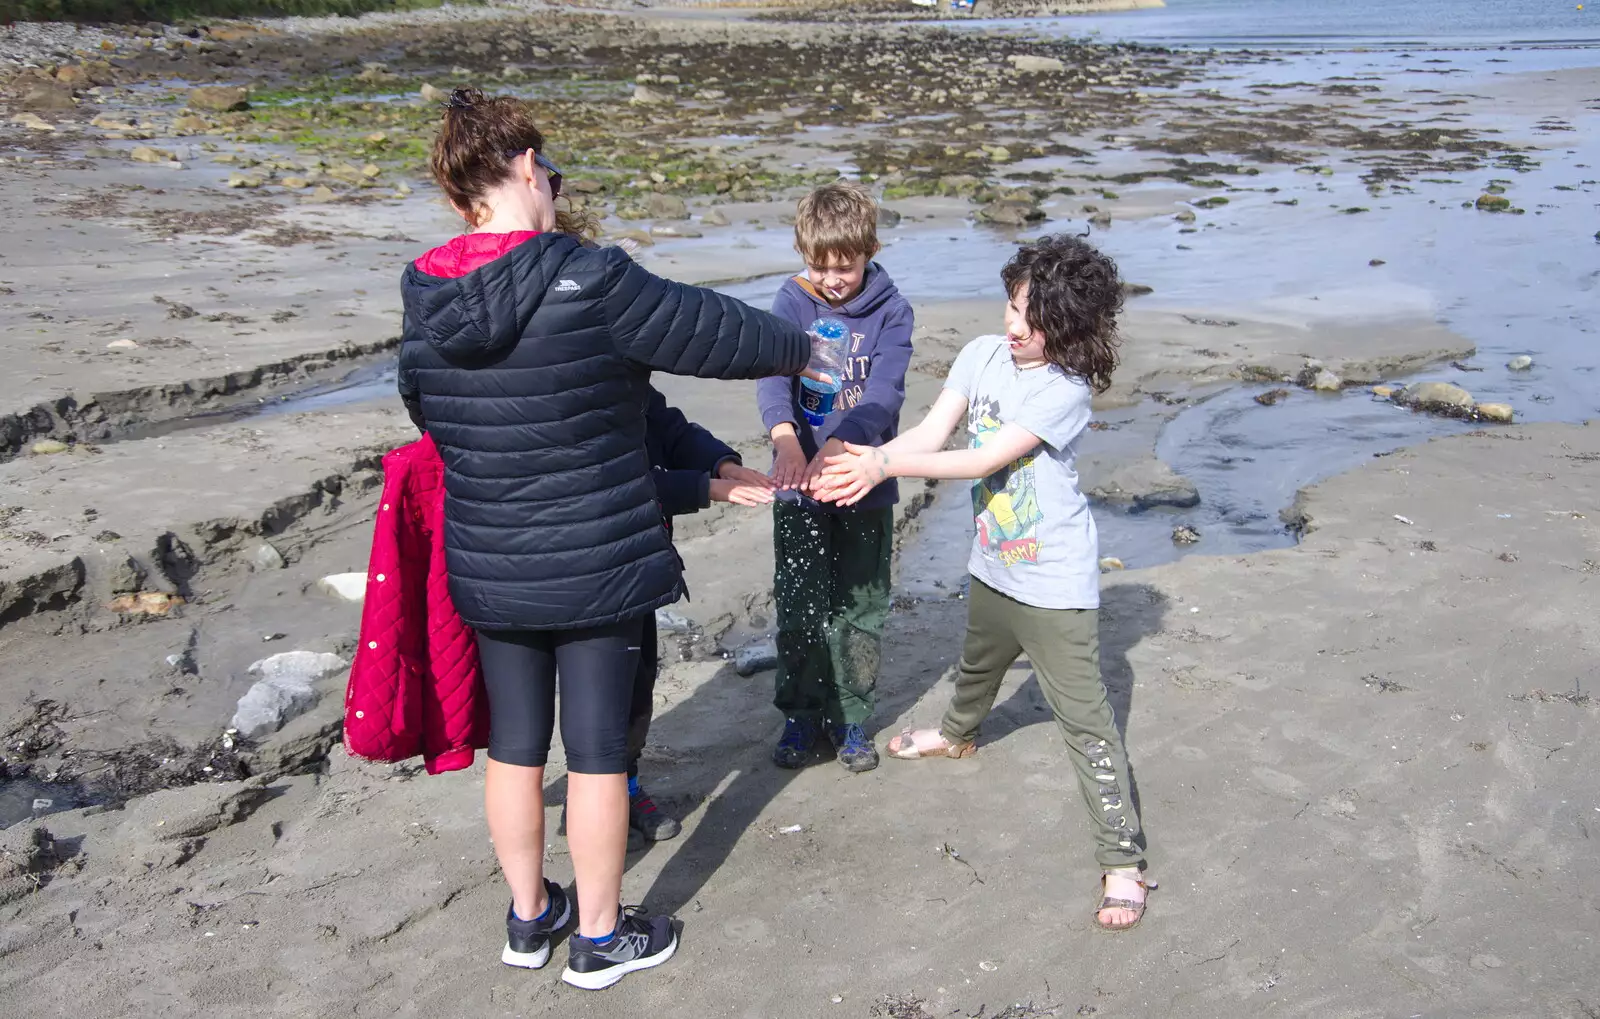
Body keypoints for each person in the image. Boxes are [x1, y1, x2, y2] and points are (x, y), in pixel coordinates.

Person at [398, 88, 814, 990]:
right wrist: (801, 345)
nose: (553, 185)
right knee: (592, 752)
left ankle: (526, 917)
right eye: (547, 170)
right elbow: (714, 331)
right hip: (596, 565)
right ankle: (597, 932)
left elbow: (426, 410)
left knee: (514, 745)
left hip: (490, 561)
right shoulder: (585, 277)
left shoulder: (424, 295)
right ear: (519, 170)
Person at [814, 235, 1156, 932]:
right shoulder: (981, 354)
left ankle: (1123, 861)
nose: (1014, 325)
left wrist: (884, 470)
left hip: (1054, 580)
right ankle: (958, 734)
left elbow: (981, 459)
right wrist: (873, 454)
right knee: (978, 664)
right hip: (994, 562)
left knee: (1088, 722)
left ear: (1071, 329)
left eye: (1034, 319)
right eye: (1012, 304)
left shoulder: (1063, 388)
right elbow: (936, 432)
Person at [756, 182, 915, 773]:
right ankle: (801, 713)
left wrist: (844, 447)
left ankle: (851, 717)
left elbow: (884, 392)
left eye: (843, 266)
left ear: (869, 249)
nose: (831, 278)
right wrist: (788, 444)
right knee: (799, 602)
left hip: (864, 481)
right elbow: (773, 380)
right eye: (818, 265)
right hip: (798, 483)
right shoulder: (793, 301)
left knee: (862, 605)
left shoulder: (892, 311)